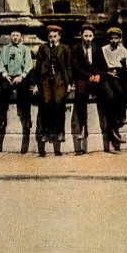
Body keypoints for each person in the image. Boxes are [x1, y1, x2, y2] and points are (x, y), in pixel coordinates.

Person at [70, 24, 123, 153]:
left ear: (93, 36)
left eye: (90, 36)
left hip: (97, 78)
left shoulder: (97, 47)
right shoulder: (76, 48)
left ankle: (112, 129)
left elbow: (103, 66)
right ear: (81, 36)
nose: (88, 38)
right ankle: (83, 127)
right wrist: (89, 76)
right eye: (85, 36)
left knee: (109, 95)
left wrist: (99, 75)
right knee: (80, 94)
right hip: (83, 78)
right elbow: (75, 67)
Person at [33, 25, 71, 156]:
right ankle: (44, 132)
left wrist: (70, 83)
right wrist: (35, 84)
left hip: (59, 78)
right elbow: (38, 66)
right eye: (50, 37)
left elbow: (68, 66)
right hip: (46, 78)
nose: (52, 39)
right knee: (45, 103)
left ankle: (60, 131)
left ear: (59, 37)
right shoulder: (43, 48)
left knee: (59, 103)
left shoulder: (65, 48)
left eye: (55, 36)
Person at [0, 29, 33, 151]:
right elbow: (1, 63)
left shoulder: (25, 49)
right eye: (13, 35)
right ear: (10, 37)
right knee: (3, 91)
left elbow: (29, 64)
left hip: (21, 76)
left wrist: (22, 76)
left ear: (21, 37)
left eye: (17, 35)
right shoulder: (5, 49)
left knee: (24, 93)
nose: (15, 37)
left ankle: (27, 119)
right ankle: (2, 119)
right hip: (8, 76)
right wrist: (5, 74)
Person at [102, 26, 127, 130]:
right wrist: (108, 71)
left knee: (126, 90)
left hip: (120, 74)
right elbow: (101, 64)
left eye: (116, 38)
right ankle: (116, 118)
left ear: (120, 39)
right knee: (115, 92)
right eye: (112, 38)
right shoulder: (104, 50)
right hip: (108, 74)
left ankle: (122, 114)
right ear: (108, 39)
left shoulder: (123, 51)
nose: (114, 41)